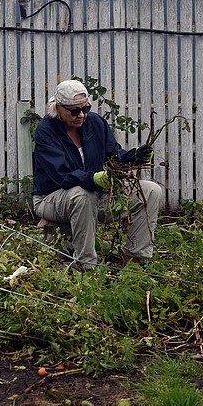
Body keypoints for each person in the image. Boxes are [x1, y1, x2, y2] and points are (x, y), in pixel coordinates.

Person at [32, 79, 162, 270]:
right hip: (51, 198)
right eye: (74, 111)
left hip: (94, 193)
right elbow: (61, 175)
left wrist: (134, 157)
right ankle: (85, 264)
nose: (81, 115)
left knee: (151, 191)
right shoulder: (46, 131)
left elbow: (113, 155)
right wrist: (94, 178)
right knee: (83, 195)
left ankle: (133, 259)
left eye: (86, 108)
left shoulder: (95, 123)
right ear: (58, 108)